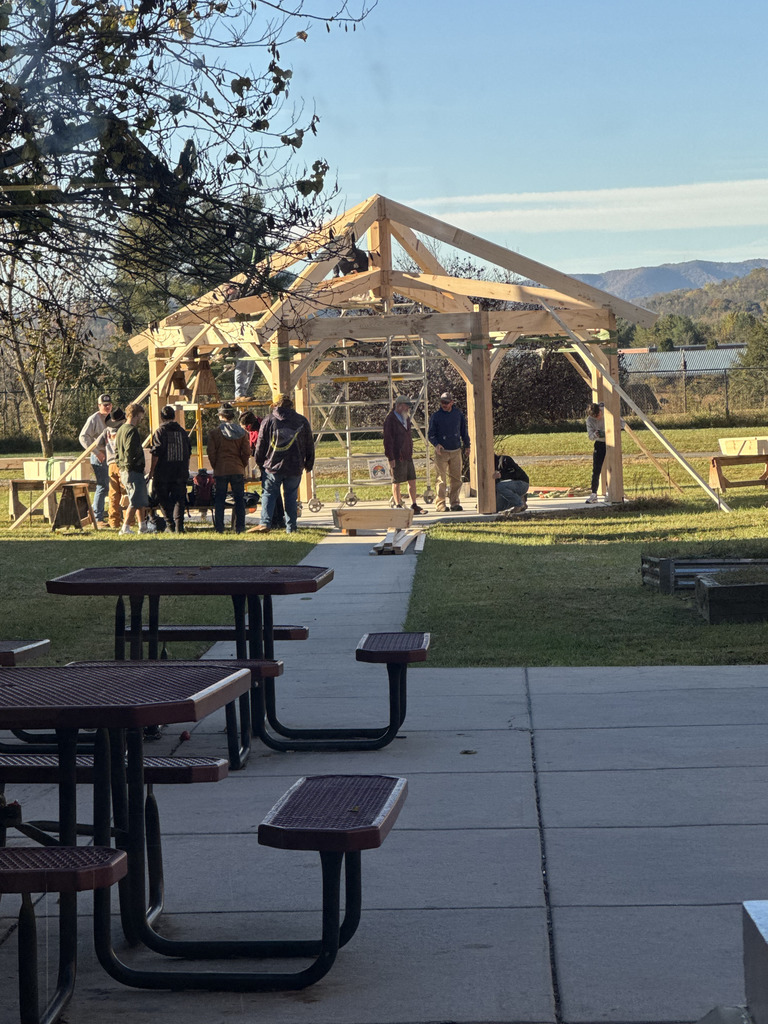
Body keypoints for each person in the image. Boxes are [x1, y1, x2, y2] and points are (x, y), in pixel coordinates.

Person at [253, 392, 314, 534]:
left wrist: (260, 462)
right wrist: (309, 463)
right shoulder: (302, 421)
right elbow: (309, 443)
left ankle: (265, 523)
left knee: (268, 493)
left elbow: (261, 444)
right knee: (291, 496)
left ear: (274, 405)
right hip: (295, 465)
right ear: (291, 404)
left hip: (272, 466)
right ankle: (291, 527)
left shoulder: (268, 420)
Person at [207, 403, 250, 532]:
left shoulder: (214, 433)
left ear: (220, 416)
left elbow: (211, 452)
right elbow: (247, 452)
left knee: (220, 499)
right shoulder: (242, 433)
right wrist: (242, 465)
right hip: (237, 468)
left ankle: (219, 527)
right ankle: (240, 527)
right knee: (239, 499)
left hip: (221, 469)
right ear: (232, 416)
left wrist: (216, 465)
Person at [148, 405, 192, 533]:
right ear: (174, 416)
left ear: (162, 418)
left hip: (164, 472)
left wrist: (152, 471)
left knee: (163, 498)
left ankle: (170, 524)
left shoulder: (160, 432)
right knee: (179, 499)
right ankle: (179, 527)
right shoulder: (182, 432)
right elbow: (188, 452)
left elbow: (156, 453)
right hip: (180, 471)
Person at [115, 403, 155, 535]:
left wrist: (120, 466)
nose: (141, 420)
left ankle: (142, 526)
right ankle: (125, 528)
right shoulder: (132, 431)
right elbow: (129, 451)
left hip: (124, 469)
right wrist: (129, 467)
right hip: (132, 470)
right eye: (141, 417)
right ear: (136, 415)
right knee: (134, 499)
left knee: (141, 499)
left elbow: (117, 451)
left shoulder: (121, 429)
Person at [383, 395, 427, 515]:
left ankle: (414, 505)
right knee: (396, 481)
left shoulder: (406, 418)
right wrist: (390, 457)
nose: (408, 408)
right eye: (406, 406)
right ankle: (398, 505)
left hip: (407, 455)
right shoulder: (390, 419)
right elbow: (388, 440)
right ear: (399, 405)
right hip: (397, 456)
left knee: (412, 479)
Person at [428, 391, 471, 512]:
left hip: (456, 450)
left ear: (452, 402)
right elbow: (431, 434)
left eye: (446, 402)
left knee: (456, 478)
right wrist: (436, 444)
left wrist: (467, 446)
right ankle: (440, 504)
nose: (444, 404)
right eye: (442, 402)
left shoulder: (458, 415)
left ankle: (455, 503)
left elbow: (464, 432)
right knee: (441, 479)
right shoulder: (436, 416)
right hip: (441, 452)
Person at [78, 393, 113, 527]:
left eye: (109, 404)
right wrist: (96, 452)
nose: (107, 407)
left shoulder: (113, 418)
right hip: (99, 456)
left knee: (110, 486)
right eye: (105, 405)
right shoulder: (94, 418)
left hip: (111, 456)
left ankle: (104, 514)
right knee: (102, 485)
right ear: (99, 406)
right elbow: (83, 437)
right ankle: (97, 517)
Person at [101, 407, 127, 530]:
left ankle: (113, 521)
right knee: (125, 492)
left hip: (110, 464)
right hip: (121, 463)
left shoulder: (107, 431)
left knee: (113, 495)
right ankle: (128, 520)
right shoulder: (123, 430)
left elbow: (98, 444)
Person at [585, 402, 606, 504]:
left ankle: (612, 491)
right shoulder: (589, 420)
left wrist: (608, 432)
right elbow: (590, 436)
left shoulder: (607, 412)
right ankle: (594, 494)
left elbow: (621, 424)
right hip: (600, 443)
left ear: (600, 411)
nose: (598, 418)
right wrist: (596, 434)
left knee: (612, 469)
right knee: (596, 469)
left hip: (612, 443)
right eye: (595, 417)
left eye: (598, 415)